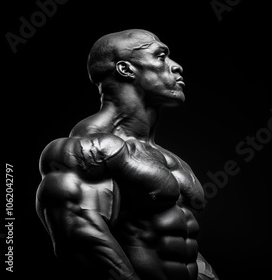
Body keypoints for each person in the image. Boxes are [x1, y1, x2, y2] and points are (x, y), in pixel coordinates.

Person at [35, 29, 219, 280]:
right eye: (161, 56)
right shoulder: (86, 149)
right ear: (126, 69)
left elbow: (181, 237)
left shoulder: (169, 158)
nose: (176, 67)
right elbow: (82, 242)